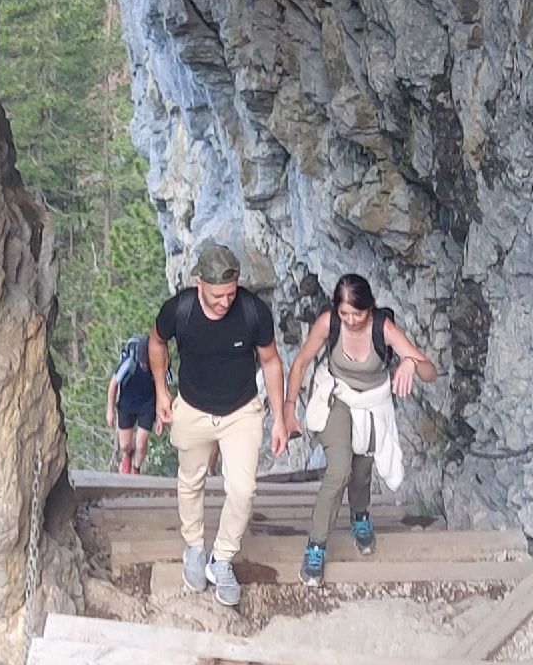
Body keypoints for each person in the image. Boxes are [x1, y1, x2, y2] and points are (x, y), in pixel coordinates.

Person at [148, 241, 288, 609]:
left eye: (230, 293)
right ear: (199, 284)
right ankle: (194, 547)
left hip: (241, 411)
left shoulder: (252, 312)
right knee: (190, 480)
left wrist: (279, 418)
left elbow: (271, 361)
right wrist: (162, 391)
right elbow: (156, 341)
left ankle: (221, 558)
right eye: (217, 296)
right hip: (193, 407)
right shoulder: (180, 310)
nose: (225, 302)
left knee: (243, 489)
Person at [284, 272, 437, 584]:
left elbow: (430, 372)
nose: (351, 321)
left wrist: (410, 361)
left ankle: (360, 515)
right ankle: (316, 546)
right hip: (337, 397)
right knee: (339, 469)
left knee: (362, 470)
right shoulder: (329, 323)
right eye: (345, 314)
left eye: (358, 314)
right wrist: (289, 408)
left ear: (370, 308)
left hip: (372, 403)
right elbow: (300, 363)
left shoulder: (384, 328)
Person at [107, 332, 157, 474]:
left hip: (148, 404)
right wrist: (110, 410)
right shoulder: (129, 362)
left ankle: (136, 468)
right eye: (142, 363)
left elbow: (164, 388)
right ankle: (127, 456)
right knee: (125, 445)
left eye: (146, 363)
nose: (144, 365)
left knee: (141, 444)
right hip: (127, 403)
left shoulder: (157, 363)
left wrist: (161, 416)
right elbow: (113, 384)